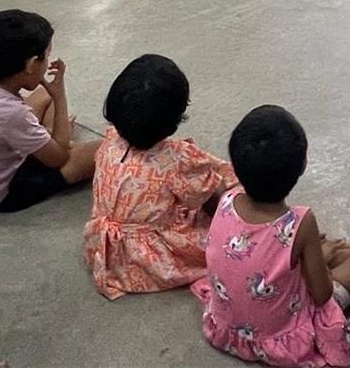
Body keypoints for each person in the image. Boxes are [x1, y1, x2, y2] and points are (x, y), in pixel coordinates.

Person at [191, 105, 350, 367]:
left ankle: (349, 247)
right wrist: (321, 259)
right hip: (281, 336)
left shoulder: (226, 199)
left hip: (226, 329)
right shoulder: (300, 221)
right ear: (303, 166)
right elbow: (321, 295)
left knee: (322, 249)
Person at [83, 55, 238, 299]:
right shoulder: (175, 159)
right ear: (174, 120)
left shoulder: (110, 142)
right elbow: (209, 195)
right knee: (222, 202)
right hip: (149, 260)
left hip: (106, 248)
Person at [0, 10, 100, 212]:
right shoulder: (10, 113)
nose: (47, 65)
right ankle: (51, 142)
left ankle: (47, 141)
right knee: (99, 150)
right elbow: (59, 159)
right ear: (31, 65)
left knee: (45, 94)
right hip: (0, 193)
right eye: (46, 57)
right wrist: (60, 97)